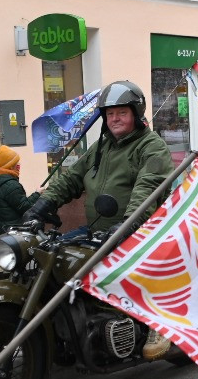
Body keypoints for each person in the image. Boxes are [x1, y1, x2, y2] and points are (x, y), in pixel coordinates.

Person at [23, 80, 175, 360]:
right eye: (110, 113)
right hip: (101, 230)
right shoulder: (100, 147)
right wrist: (41, 205)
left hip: (142, 231)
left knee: (136, 277)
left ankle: (161, 324)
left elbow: (147, 189)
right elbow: (70, 178)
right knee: (53, 258)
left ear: (136, 114)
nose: (114, 119)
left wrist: (128, 225)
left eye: (122, 113)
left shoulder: (151, 147)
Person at [0, 143, 42, 237]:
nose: (18, 165)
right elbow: (25, 207)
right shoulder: (11, 185)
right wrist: (37, 193)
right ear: (10, 166)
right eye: (16, 163)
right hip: (14, 232)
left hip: (3, 231)